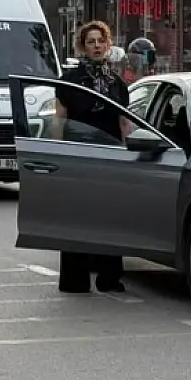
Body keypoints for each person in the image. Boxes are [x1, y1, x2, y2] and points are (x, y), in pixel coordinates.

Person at [54, 21, 131, 295]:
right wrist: (58, 156)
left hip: (109, 159)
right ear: (82, 47)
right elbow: (59, 123)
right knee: (77, 218)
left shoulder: (117, 84)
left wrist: (126, 155)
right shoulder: (69, 82)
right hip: (77, 158)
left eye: (101, 41)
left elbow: (124, 123)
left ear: (108, 45)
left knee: (109, 217)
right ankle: (75, 280)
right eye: (91, 42)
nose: (97, 46)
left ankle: (109, 278)